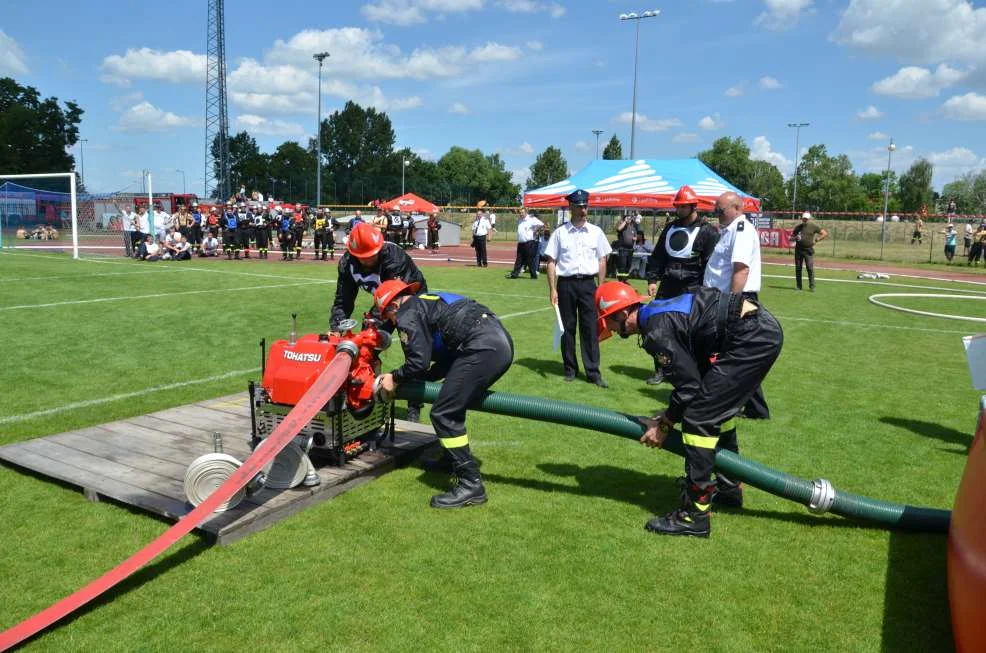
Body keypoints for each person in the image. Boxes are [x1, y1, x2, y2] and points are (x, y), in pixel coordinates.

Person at [595, 281, 783, 537]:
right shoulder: (658, 313)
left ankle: (694, 515)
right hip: (754, 327)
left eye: (611, 323)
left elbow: (689, 389)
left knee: (698, 418)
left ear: (622, 313)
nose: (614, 331)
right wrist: (670, 413)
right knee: (711, 410)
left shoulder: (655, 331)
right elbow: (693, 378)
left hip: (752, 338)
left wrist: (664, 425)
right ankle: (728, 488)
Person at [374, 280, 513, 508]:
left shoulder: (407, 315)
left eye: (387, 316)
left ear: (393, 307)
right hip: (495, 340)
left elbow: (418, 362)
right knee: (451, 402)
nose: (390, 322)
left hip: (483, 347)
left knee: (443, 414)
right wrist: (422, 379)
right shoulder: (425, 302)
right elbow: (445, 354)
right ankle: (451, 458)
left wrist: (395, 377)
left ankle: (471, 484)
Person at [331, 222, 428, 422]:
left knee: (413, 349)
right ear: (355, 254)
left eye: (373, 254)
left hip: (408, 297)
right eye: (365, 257)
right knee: (363, 350)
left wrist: (372, 326)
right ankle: (365, 395)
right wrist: (337, 327)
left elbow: (392, 297)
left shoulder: (394, 257)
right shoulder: (346, 264)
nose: (371, 259)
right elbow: (343, 299)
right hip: (383, 301)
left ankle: (414, 405)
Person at [643, 185, 720, 385]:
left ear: (693, 206)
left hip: (693, 287)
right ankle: (661, 369)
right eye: (678, 206)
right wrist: (652, 279)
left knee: (691, 331)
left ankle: (692, 371)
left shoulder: (708, 231)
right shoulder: (669, 228)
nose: (679, 210)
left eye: (683, 206)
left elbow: (711, 264)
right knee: (658, 327)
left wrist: (706, 291)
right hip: (668, 284)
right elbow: (658, 256)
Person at [704, 191, 770, 420]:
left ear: (737, 209)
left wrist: (730, 305)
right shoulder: (730, 230)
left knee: (739, 353)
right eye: (716, 210)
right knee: (736, 352)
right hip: (731, 299)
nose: (717, 214)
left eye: (720, 210)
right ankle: (753, 407)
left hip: (739, 300)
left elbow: (741, 270)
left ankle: (754, 408)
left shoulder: (741, 231)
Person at [543, 189, 612, 387]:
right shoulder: (560, 233)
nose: (583, 209)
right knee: (568, 328)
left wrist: (601, 287)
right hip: (566, 284)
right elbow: (551, 262)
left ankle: (593, 372)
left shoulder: (596, 232)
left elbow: (602, 259)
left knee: (590, 328)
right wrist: (552, 289)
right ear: (571, 207)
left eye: (585, 205)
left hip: (589, 285)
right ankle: (570, 369)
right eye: (579, 206)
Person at [791, 211, 828, 291]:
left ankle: (812, 287)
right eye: (804, 218)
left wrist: (817, 240)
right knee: (798, 268)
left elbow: (824, 233)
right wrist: (795, 238)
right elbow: (791, 238)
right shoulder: (798, 227)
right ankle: (798, 286)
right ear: (802, 219)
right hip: (798, 250)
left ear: (809, 219)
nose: (805, 220)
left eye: (806, 219)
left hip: (808, 250)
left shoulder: (813, 226)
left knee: (810, 268)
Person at [508, 208, 544, 279]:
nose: (521, 214)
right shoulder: (520, 220)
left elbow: (541, 224)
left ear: (526, 212)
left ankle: (533, 275)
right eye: (520, 212)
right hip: (521, 243)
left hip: (529, 243)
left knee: (530, 260)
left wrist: (535, 230)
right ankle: (515, 274)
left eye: (522, 212)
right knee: (519, 259)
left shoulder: (531, 219)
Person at [614, 212, 638, 282]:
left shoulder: (633, 228)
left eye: (630, 218)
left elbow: (636, 237)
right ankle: (620, 280)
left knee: (628, 266)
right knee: (622, 265)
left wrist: (635, 239)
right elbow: (618, 229)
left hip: (630, 250)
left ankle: (625, 280)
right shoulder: (622, 226)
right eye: (627, 218)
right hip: (623, 249)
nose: (629, 219)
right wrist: (625, 221)